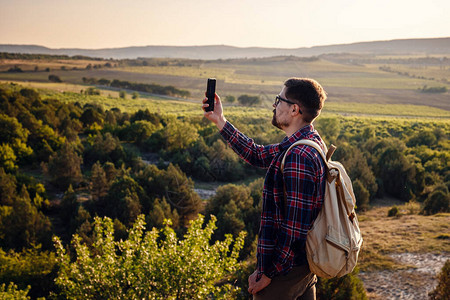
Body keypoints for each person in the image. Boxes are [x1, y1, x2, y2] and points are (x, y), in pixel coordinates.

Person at [202, 78, 327, 300]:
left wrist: (269, 273)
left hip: (286, 272)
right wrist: (220, 120)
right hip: (303, 268)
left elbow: (294, 228)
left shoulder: (299, 156)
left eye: (279, 100)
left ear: (294, 109)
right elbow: (257, 154)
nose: (274, 105)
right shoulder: (306, 142)